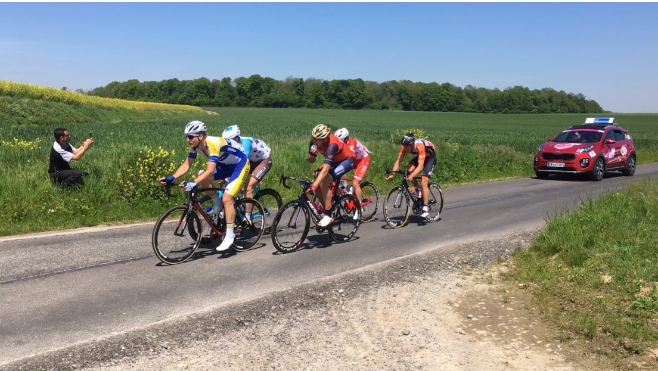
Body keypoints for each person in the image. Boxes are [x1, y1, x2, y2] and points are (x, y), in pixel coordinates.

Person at [159, 120, 249, 252]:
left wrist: (193, 182)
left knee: (227, 198)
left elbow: (210, 170)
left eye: (190, 137)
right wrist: (171, 178)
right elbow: (187, 165)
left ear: (200, 136)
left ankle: (229, 236)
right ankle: (217, 204)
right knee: (201, 175)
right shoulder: (195, 147)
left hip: (239, 164)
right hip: (224, 165)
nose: (187, 140)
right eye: (186, 137)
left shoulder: (212, 144)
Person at [307, 124, 356, 227]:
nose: (315, 141)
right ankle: (326, 207)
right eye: (314, 139)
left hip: (346, 161)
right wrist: (312, 154)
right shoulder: (314, 140)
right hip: (334, 161)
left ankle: (328, 215)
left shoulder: (332, 144)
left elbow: (325, 171)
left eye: (318, 140)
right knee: (316, 175)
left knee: (325, 178)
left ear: (325, 139)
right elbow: (310, 161)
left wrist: (313, 186)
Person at [222, 125, 272, 220]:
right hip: (251, 160)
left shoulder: (245, 144)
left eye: (229, 141)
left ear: (236, 139)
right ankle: (243, 203)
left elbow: (242, 163)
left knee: (248, 187)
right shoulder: (232, 144)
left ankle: (247, 217)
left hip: (263, 161)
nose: (227, 143)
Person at [386, 133, 437, 218]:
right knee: (407, 171)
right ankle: (417, 189)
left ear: (412, 144)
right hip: (421, 156)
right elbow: (398, 161)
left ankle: (425, 206)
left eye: (406, 146)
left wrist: (413, 175)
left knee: (424, 181)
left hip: (430, 157)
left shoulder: (419, 145)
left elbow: (420, 166)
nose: (404, 148)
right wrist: (392, 174)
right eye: (404, 146)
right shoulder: (404, 147)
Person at [334, 128, 371, 207]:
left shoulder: (352, 143)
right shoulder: (341, 144)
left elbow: (348, 156)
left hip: (363, 160)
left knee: (355, 183)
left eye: (341, 140)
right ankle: (348, 192)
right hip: (354, 160)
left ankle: (359, 206)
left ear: (346, 138)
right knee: (339, 174)